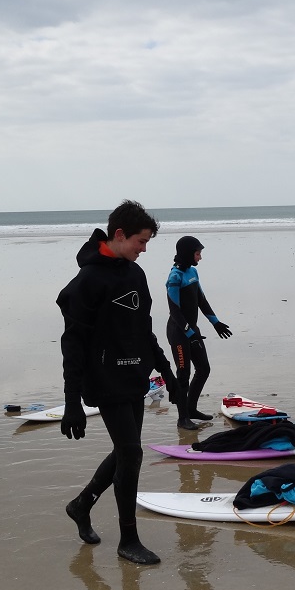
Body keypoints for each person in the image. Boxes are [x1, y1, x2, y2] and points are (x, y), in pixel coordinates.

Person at [58, 200, 180, 565]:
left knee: (126, 451)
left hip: (133, 375)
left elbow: (144, 331)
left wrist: (169, 375)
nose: (144, 249)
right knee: (131, 453)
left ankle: (81, 504)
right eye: (141, 241)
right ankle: (128, 539)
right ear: (120, 234)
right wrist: (71, 401)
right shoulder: (88, 281)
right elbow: (72, 343)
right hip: (103, 377)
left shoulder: (134, 274)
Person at [166, 236, 232, 430]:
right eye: (197, 253)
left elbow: (201, 300)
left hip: (192, 331)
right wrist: (188, 332)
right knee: (183, 374)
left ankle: (191, 408)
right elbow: (174, 311)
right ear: (188, 254)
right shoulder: (175, 277)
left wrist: (216, 323)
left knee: (204, 369)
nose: (200, 257)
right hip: (178, 332)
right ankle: (182, 418)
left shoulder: (193, 272)